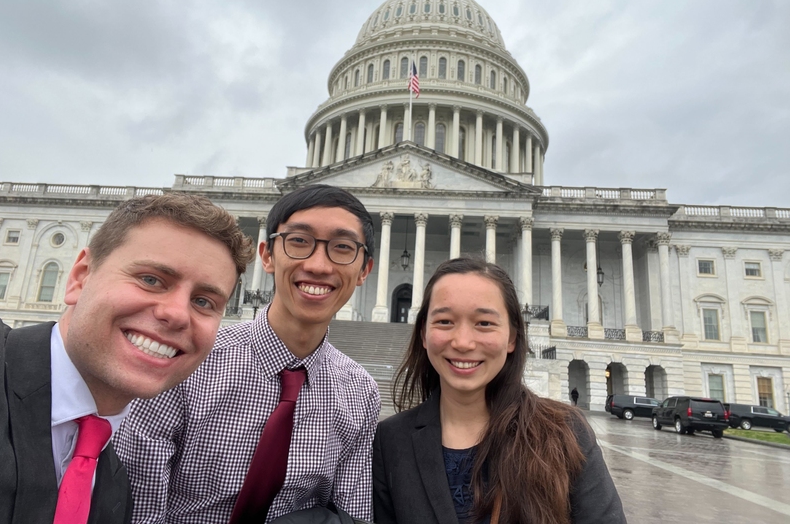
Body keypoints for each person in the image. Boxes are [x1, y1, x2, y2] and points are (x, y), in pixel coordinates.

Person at [115, 184, 380, 523]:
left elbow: (350, 517)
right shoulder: (185, 362)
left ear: (364, 271)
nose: (318, 265)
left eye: (342, 248)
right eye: (299, 241)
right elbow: (138, 510)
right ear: (267, 255)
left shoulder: (360, 393)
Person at [0, 193, 255, 524]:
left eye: (203, 302)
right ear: (80, 278)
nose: (176, 315)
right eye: (151, 280)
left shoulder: (115, 490)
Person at [373, 257, 626, 524]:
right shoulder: (390, 442)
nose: (462, 343)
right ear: (423, 334)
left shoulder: (567, 432)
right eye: (445, 321)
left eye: (484, 323)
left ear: (512, 338)